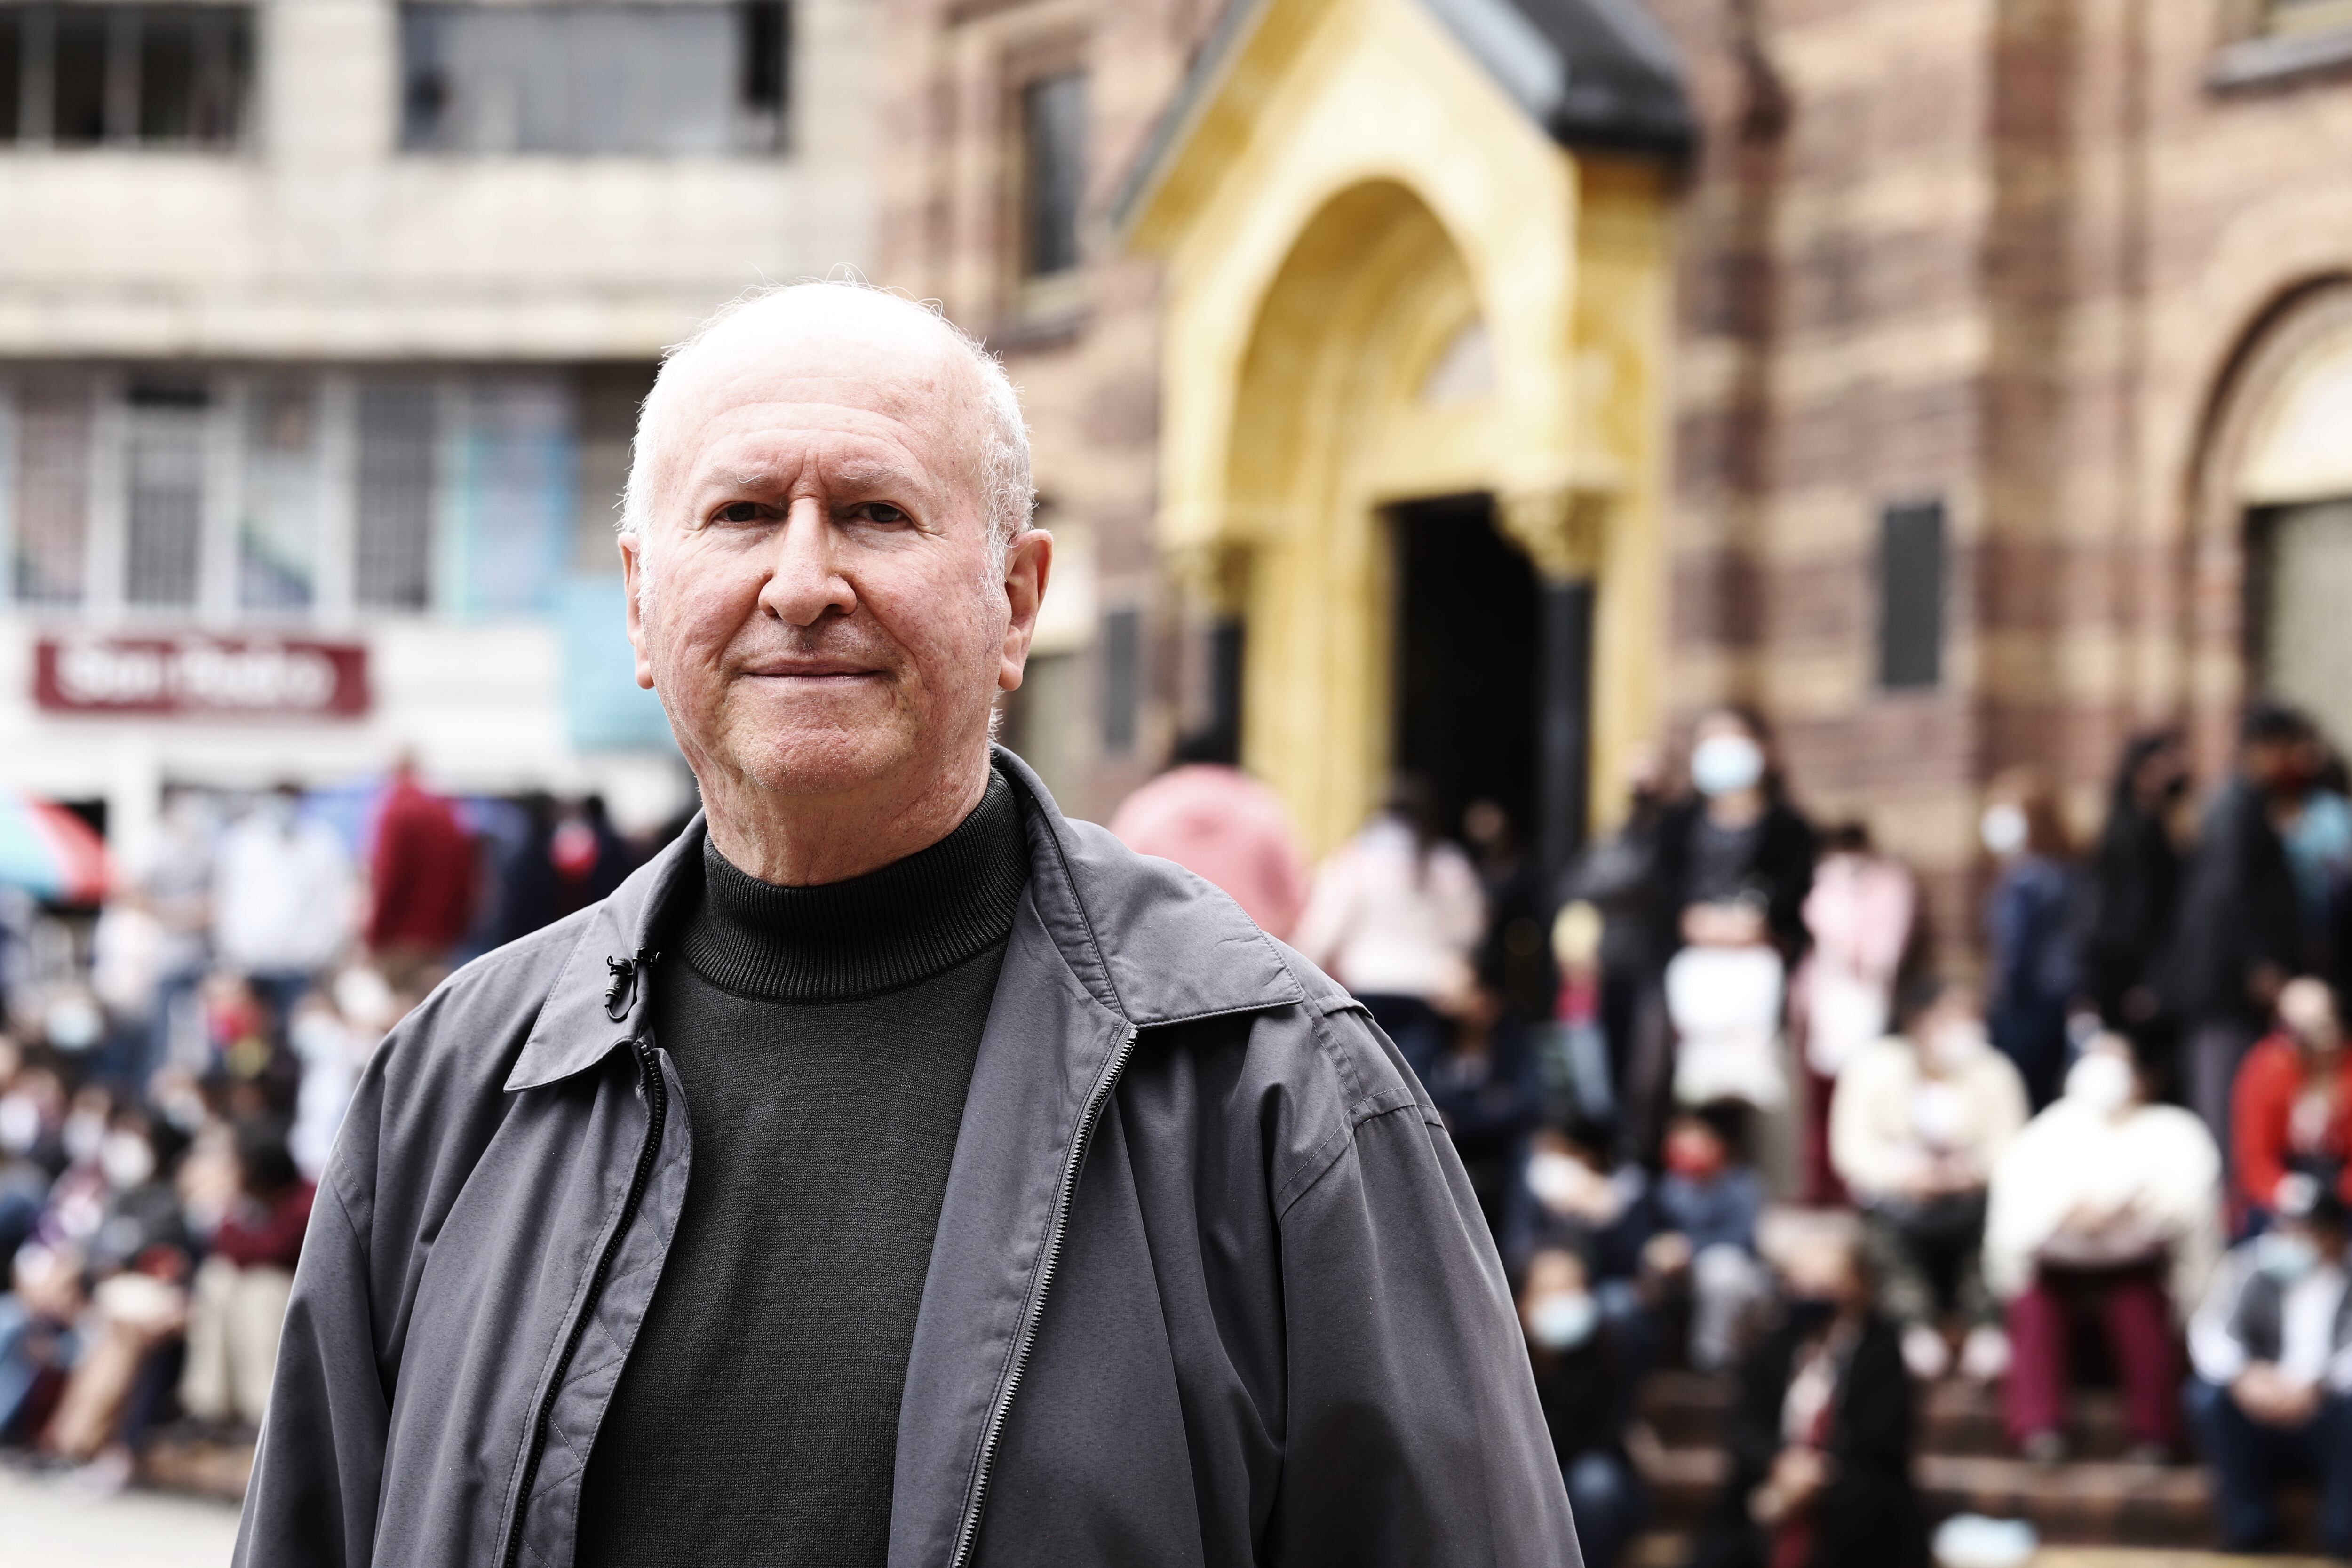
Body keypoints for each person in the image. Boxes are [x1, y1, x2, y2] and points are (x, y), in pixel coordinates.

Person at [236, 282, 1579, 1568]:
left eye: (877, 513)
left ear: (1017, 599)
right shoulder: (461, 1087)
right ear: (642, 602)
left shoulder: (1269, 1090)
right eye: (746, 512)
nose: (804, 579)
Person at [1984, 1032, 2221, 1462]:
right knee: (2036, 1307)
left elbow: (2187, 1206)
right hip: (2060, 1274)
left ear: (2144, 1075)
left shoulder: (2176, 1131)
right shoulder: (2048, 1131)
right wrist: (2064, 1214)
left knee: (2138, 1305)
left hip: (2137, 1272)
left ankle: (2154, 1436)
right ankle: (2040, 1430)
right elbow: (2016, 1217)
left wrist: (2130, 1214)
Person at [1688, 1224, 1928, 1568]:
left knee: (1859, 1505)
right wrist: (1780, 1464)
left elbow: (1884, 1432)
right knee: (1729, 1529)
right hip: (1777, 1475)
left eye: (1827, 1280)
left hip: (1850, 1482)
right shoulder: (1776, 1344)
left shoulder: (1881, 1347)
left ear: (1858, 1284)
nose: (1815, 1291)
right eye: (1805, 1281)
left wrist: (1816, 1473)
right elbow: (1744, 1423)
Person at [1830, 978, 2028, 1381]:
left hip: (1972, 1196)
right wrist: (1907, 1176)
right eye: (1954, 1014)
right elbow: (1851, 1148)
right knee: (1881, 1228)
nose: (1967, 1024)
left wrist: (1970, 1174)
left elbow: (2013, 1144)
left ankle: (1987, 1326)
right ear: (1919, 1020)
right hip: (1899, 1196)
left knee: (2000, 1224)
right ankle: (1913, 1328)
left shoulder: (1995, 1070)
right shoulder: (1872, 1064)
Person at [1647, 709, 1816, 1159]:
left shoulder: (1790, 827)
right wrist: (1694, 923)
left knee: (1760, 1092)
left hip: (1761, 982)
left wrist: (1758, 929)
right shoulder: (1676, 825)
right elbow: (1661, 896)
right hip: (1688, 976)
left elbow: (1795, 901)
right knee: (1679, 1085)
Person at [2185, 1178, 2352, 1556]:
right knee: (2207, 1397)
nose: (2291, 1238)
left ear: (2333, 1234)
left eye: (2305, 1228)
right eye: (2285, 1226)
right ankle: (2248, 1526)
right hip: (2261, 1405)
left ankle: (2343, 1531)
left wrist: (2317, 1385)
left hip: (2329, 1412)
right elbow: (2209, 1331)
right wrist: (2244, 1376)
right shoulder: (2251, 1266)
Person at [2169, 704, 2311, 1148]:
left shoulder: (2247, 804)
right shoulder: (2236, 808)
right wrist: (2258, 963)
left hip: (2232, 989)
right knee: (2226, 1111)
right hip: (2226, 990)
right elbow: (2227, 897)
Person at [1292, 776, 1486, 1084]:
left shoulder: (1355, 858)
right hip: (1426, 990)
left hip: (1365, 988)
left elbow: (1322, 930)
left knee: (1367, 1084)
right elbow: (1468, 932)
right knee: (1417, 1086)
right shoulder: (1447, 862)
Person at [1790, 823, 1915, 1202]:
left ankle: (1855, 1184)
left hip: (1863, 1001)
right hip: (1824, 1002)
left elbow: (1881, 950)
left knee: (1859, 1095)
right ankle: (1819, 1182)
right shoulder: (1825, 886)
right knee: (1819, 1100)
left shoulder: (1889, 886)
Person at [1105, 731, 1310, 939]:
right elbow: (1294, 906)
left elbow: (1112, 892)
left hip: (1164, 951)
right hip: (1250, 954)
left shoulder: (1146, 808)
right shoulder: (1262, 807)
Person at [181, 1119, 311, 1433]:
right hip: (258, 1287)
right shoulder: (254, 1201)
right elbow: (226, 1246)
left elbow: (272, 1250)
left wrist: (231, 1227)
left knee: (259, 1290)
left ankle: (262, 1415)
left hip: (303, 1300)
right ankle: (209, 1408)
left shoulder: (305, 1200)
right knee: (216, 1279)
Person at [1521, 1245, 1644, 1568]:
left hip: (1586, 1474)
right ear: (1521, 1302)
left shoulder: (1610, 1350)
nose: (1559, 1302)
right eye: (1547, 1291)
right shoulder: (1502, 1358)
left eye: (1569, 1289)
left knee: (1595, 1484)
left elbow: (1606, 1434)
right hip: (1523, 1475)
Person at [212, 784, 353, 1029]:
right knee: (246, 1044)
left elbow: (334, 901)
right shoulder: (243, 842)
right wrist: (231, 955)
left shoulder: (321, 843)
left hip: (302, 965)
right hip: (251, 963)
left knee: (295, 1040)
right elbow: (228, 899)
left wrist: (324, 952)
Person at [1980, 766, 2080, 1110]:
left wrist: (2002, 1001)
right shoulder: (2066, 870)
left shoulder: (2025, 877)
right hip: (2059, 1002)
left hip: (2026, 1007)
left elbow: (2015, 950)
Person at [1646, 1102, 1771, 1372]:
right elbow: (1651, 1232)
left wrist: (1690, 1250)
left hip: (1736, 1274)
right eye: (1680, 1147)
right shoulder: (1668, 1189)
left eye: (1694, 1146)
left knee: (1722, 1271)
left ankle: (1714, 1364)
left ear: (1717, 1147)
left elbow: (1743, 1239)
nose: (1686, 1154)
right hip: (1678, 1276)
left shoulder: (1742, 1186)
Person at [2077, 732, 2188, 1029]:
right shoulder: (2128, 831)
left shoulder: (2156, 824)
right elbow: (2132, 912)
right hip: (2126, 972)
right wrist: (2143, 981)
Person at [2232, 974, 2352, 1226]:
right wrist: (2284, 1191)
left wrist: (2340, 1193)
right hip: (2286, 1186)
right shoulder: (2264, 1067)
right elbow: (2253, 1154)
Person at [364, 756, 476, 989]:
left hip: (400, 939)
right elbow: (468, 881)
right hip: (440, 938)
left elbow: (388, 881)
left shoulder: (397, 810)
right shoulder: (447, 812)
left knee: (400, 1016)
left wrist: (374, 935)